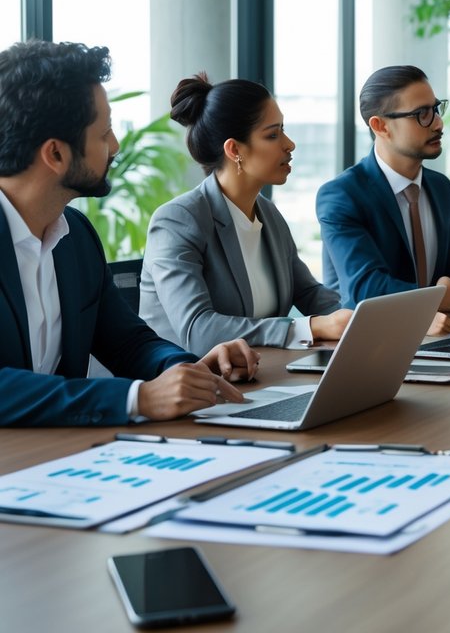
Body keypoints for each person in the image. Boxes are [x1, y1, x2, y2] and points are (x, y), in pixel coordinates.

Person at [0, 41, 259, 427]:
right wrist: (137, 397)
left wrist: (186, 370)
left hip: (58, 459)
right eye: (104, 132)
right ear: (55, 154)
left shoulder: (77, 237)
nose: (116, 145)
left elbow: (129, 342)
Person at [140, 74, 350, 353]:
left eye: (283, 130)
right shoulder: (178, 220)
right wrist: (307, 328)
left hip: (263, 376)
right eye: (273, 134)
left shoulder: (268, 214)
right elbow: (198, 330)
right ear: (234, 149)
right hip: (192, 383)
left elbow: (309, 293)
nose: (289, 144)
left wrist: (362, 321)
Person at [316, 65, 450, 336]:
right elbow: (365, 288)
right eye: (422, 114)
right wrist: (438, 298)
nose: (438, 123)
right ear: (380, 126)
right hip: (371, 346)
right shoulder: (342, 195)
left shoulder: (441, 189)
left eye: (436, 109)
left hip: (439, 339)